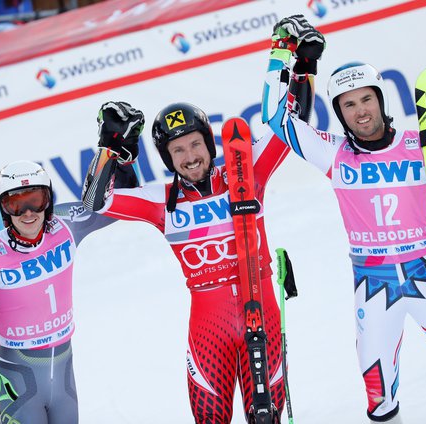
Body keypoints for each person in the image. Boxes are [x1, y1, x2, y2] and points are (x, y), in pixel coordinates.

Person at [262, 15, 426, 424]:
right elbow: (275, 118)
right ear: (339, 112)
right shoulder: (333, 152)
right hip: (374, 286)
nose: (360, 111)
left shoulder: (420, 145)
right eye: (348, 104)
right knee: (378, 395)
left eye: (366, 99)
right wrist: (283, 52)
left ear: (381, 100)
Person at [81, 101, 288, 423]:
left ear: (209, 143)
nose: (190, 157)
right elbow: (96, 201)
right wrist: (111, 147)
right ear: (167, 158)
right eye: (177, 150)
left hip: (263, 320)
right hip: (208, 334)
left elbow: (289, 127)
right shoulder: (161, 201)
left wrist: (300, 65)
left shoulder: (247, 171)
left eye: (195, 144)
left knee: (267, 420)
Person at [0, 160, 137, 423]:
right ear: (3, 208)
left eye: (36, 199)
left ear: (48, 199)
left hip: (64, 377)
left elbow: (121, 203)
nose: (28, 212)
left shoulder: (66, 224)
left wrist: (121, 156)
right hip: (16, 382)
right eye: (16, 204)